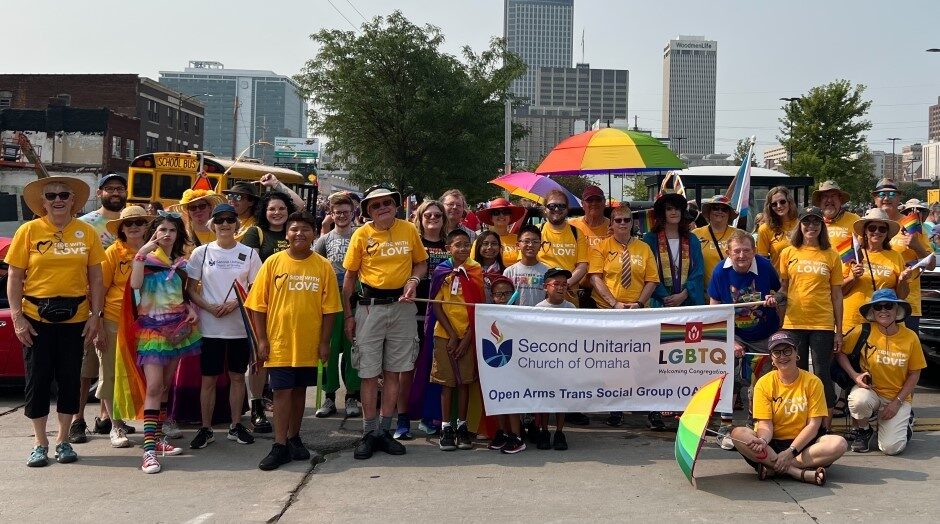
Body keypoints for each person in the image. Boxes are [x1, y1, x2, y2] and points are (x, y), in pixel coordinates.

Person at [6, 176, 104, 467]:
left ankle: (63, 440)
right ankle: (40, 442)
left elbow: (96, 278)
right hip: (36, 319)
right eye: (51, 196)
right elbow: (14, 277)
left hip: (75, 318)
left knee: (70, 380)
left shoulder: (86, 232)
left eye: (64, 195)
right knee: (37, 380)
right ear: (43, 202)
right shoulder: (29, 231)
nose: (58, 200)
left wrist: (95, 317)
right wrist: (17, 317)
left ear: (74, 201)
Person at [245, 211, 342, 470]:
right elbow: (257, 306)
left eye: (305, 229)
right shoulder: (273, 263)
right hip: (279, 343)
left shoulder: (323, 266)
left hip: (309, 344)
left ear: (314, 234)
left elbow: (330, 309)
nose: (299, 233)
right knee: (281, 393)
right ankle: (279, 445)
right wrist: (262, 340)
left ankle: (294, 438)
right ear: (287, 234)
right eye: (294, 229)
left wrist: (325, 343)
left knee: (300, 393)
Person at [343, 185, 428, 460]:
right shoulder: (361, 234)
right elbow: (349, 277)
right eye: (376, 205)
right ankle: (369, 432)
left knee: (395, 371)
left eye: (387, 203)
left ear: (395, 204)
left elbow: (421, 263)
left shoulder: (409, 230)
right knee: (368, 373)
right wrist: (347, 315)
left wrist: (414, 281)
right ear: (368, 211)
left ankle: (385, 430)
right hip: (370, 308)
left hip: (402, 307)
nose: (383, 208)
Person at [186, 204, 262, 450]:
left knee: (238, 377)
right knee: (208, 379)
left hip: (239, 327)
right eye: (220, 220)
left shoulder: (249, 253)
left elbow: (255, 288)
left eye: (230, 220)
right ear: (213, 224)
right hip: (210, 328)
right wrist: (208, 307)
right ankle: (206, 428)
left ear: (237, 224)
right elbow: (190, 289)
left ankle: (235, 425)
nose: (225, 224)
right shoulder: (201, 252)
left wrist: (233, 304)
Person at [131, 211, 201, 474]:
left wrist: (190, 307)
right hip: (152, 332)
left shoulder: (180, 262)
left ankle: (158, 439)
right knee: (154, 387)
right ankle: (148, 450)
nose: (167, 234)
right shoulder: (147, 259)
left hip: (178, 331)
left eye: (171, 230)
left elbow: (181, 294)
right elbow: (135, 284)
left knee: (164, 388)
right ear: (154, 232)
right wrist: (142, 252)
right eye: (162, 229)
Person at [730, 331, 848, 486]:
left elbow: (814, 425)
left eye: (787, 351)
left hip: (803, 445)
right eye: (777, 352)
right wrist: (763, 440)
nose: (782, 356)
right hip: (770, 444)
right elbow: (765, 424)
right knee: (738, 434)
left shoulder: (813, 382)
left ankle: (773, 468)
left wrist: (790, 452)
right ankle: (798, 473)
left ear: (796, 353)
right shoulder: (764, 383)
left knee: (839, 444)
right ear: (771, 358)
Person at [708, 230, 784, 447]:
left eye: (746, 251)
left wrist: (774, 298)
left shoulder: (765, 266)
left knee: (758, 383)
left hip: (763, 334)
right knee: (727, 378)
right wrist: (730, 340)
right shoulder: (720, 272)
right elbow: (714, 307)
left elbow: (781, 293)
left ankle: (753, 425)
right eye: (737, 251)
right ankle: (725, 426)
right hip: (734, 333)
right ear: (728, 253)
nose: (742, 256)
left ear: (755, 251)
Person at [72, 173, 128, 443]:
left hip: (117, 310)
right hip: (85, 305)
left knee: (112, 367)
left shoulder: (129, 223)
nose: (115, 193)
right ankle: (77, 420)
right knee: (85, 370)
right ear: (100, 191)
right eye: (110, 189)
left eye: (120, 188)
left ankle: (107, 418)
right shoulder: (85, 224)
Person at [642, 189, 704, 430]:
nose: (674, 212)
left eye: (677, 208)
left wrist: (684, 294)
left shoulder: (693, 240)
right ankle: (654, 409)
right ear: (661, 213)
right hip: (661, 305)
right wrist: (665, 297)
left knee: (683, 358)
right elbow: (648, 273)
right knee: (659, 359)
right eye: (669, 208)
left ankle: (684, 408)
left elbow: (698, 272)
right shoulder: (649, 240)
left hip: (687, 304)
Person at [838, 289, 926, 455]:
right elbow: (840, 352)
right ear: (872, 311)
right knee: (858, 400)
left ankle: (906, 422)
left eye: (888, 306)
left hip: (898, 397)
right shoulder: (862, 331)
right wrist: (854, 375)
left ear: (897, 310)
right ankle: (864, 430)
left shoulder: (910, 337)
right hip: (871, 392)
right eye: (878, 307)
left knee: (890, 448)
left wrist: (897, 402)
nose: (883, 310)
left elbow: (915, 373)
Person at [778, 206, 843, 425]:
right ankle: (803, 422)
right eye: (807, 222)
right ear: (800, 225)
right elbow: (784, 290)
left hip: (822, 323)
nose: (811, 226)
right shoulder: (788, 252)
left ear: (822, 226)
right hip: (794, 322)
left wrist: (839, 331)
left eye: (816, 222)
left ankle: (826, 425)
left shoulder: (832, 255)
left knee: (822, 373)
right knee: (798, 372)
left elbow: (836, 296)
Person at [239, 190, 297, 433]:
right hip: (262, 306)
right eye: (272, 209)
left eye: (282, 209)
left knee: (283, 355)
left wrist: (278, 184)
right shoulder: (256, 233)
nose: (277, 213)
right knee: (259, 359)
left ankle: (280, 400)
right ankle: (257, 408)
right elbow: (243, 268)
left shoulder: (295, 232)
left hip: (290, 305)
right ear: (264, 211)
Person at [99, 206, 154, 448]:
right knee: (111, 373)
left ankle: (156, 425)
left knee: (153, 373)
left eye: (139, 223)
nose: (134, 227)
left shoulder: (156, 252)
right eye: (129, 223)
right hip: (113, 319)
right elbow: (99, 288)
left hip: (149, 321)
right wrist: (97, 321)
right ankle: (116, 426)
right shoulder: (113, 252)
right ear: (121, 228)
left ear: (146, 226)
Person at [398, 199, 449, 439]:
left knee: (433, 368)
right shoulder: (411, 244)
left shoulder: (451, 245)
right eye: (427, 215)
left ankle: (431, 416)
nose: (432, 219)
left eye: (437, 215)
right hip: (413, 312)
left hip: (441, 315)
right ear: (419, 218)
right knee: (407, 367)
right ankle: (403, 417)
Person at [429, 229, 483, 451]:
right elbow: (436, 305)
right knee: (447, 383)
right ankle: (446, 427)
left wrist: (466, 338)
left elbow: (478, 306)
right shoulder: (442, 271)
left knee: (464, 383)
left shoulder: (475, 269)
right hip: (444, 335)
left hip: (468, 336)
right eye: (457, 245)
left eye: (465, 244)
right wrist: (452, 335)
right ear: (448, 248)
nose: (462, 249)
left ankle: (462, 426)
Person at [313, 193, 362, 419]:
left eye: (346, 212)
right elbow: (316, 266)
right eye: (337, 212)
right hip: (331, 301)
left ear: (353, 214)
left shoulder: (360, 235)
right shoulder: (324, 240)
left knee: (353, 349)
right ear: (331, 215)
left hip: (355, 299)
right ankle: (329, 396)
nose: (342, 216)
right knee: (329, 350)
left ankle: (352, 395)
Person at [842, 209, 911, 332]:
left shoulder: (895, 256)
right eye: (872, 228)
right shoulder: (853, 254)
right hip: (852, 320)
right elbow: (838, 291)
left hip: (882, 321)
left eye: (882, 229)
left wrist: (902, 281)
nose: (877, 232)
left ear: (887, 234)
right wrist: (853, 277)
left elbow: (901, 296)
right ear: (865, 232)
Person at [879, 187, 936, 332]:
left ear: (899, 199)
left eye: (892, 194)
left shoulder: (912, 225)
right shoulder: (870, 227)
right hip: (875, 303)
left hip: (906, 303)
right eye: (881, 194)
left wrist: (917, 246)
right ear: (875, 199)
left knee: (905, 352)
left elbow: (931, 265)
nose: (886, 198)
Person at [589, 204, 658, 310]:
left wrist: (639, 304)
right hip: (605, 308)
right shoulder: (600, 247)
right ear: (611, 223)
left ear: (632, 223)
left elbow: (652, 280)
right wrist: (614, 303)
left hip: (637, 310)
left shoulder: (645, 248)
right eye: (618, 220)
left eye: (626, 220)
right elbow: (595, 279)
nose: (622, 223)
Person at [485, 275, 526, 454]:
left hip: (514, 365)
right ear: (492, 296)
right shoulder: (487, 315)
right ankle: (502, 432)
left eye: (507, 293)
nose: (502, 297)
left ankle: (516, 436)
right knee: (497, 398)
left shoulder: (520, 316)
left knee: (511, 399)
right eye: (498, 294)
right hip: (495, 363)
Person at [569, 186, 611, 308]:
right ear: (582, 204)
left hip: (603, 289)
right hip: (575, 286)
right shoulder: (571, 225)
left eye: (598, 200)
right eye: (589, 200)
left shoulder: (614, 226)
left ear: (604, 202)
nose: (594, 204)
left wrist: (615, 239)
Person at [693, 195, 742, 289]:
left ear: (729, 214)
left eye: (724, 209)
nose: (720, 211)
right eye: (715, 208)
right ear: (709, 212)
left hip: (732, 291)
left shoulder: (739, 234)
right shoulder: (695, 234)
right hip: (702, 293)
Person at [503, 225, 550, 307]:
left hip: (539, 317)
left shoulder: (547, 271)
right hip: (515, 317)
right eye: (526, 241)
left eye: (535, 242)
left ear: (540, 246)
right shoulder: (509, 272)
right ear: (518, 245)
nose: (531, 245)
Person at [476, 197, 526, 267]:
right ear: (491, 218)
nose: (501, 215)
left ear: (510, 217)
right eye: (496, 213)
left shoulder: (519, 240)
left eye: (505, 212)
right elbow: (474, 265)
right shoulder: (481, 240)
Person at [757, 186, 798, 269]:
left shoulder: (801, 224)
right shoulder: (764, 229)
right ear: (770, 207)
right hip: (778, 279)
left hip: (800, 278)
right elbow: (762, 260)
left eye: (782, 202)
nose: (779, 206)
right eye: (774, 204)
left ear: (789, 202)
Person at [812, 180, 860, 251]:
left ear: (840, 199)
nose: (829, 200)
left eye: (833, 196)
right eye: (825, 196)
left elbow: (863, 247)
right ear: (820, 201)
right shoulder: (812, 221)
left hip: (845, 261)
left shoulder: (855, 220)